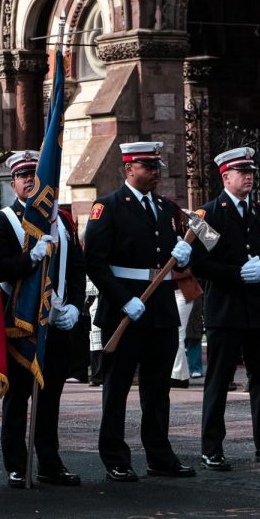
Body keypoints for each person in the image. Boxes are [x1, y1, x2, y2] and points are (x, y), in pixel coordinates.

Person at [84, 141, 196, 482]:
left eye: (157, 166)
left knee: (157, 388)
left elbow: (166, 256)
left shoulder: (165, 209)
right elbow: (95, 264)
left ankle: (159, 455)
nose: (155, 172)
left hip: (160, 306)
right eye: (148, 166)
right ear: (129, 169)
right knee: (116, 389)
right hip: (126, 309)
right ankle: (115, 456)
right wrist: (122, 299)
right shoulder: (109, 207)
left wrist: (185, 258)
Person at [192, 147, 260, 471]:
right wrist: (235, 273)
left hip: (257, 309)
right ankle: (211, 446)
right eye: (242, 172)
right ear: (226, 176)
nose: (249, 176)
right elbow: (199, 262)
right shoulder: (209, 214)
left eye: (251, 171)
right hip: (225, 310)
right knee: (219, 380)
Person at [0, 150, 85, 488]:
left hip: (56, 321)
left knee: (50, 397)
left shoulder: (62, 220)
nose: (30, 180)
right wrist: (28, 259)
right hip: (20, 323)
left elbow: (75, 268)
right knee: (17, 397)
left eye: (36, 174)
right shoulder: (2, 221)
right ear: (13, 182)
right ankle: (16, 463)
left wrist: (75, 305)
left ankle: (49, 461)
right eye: (23, 175)